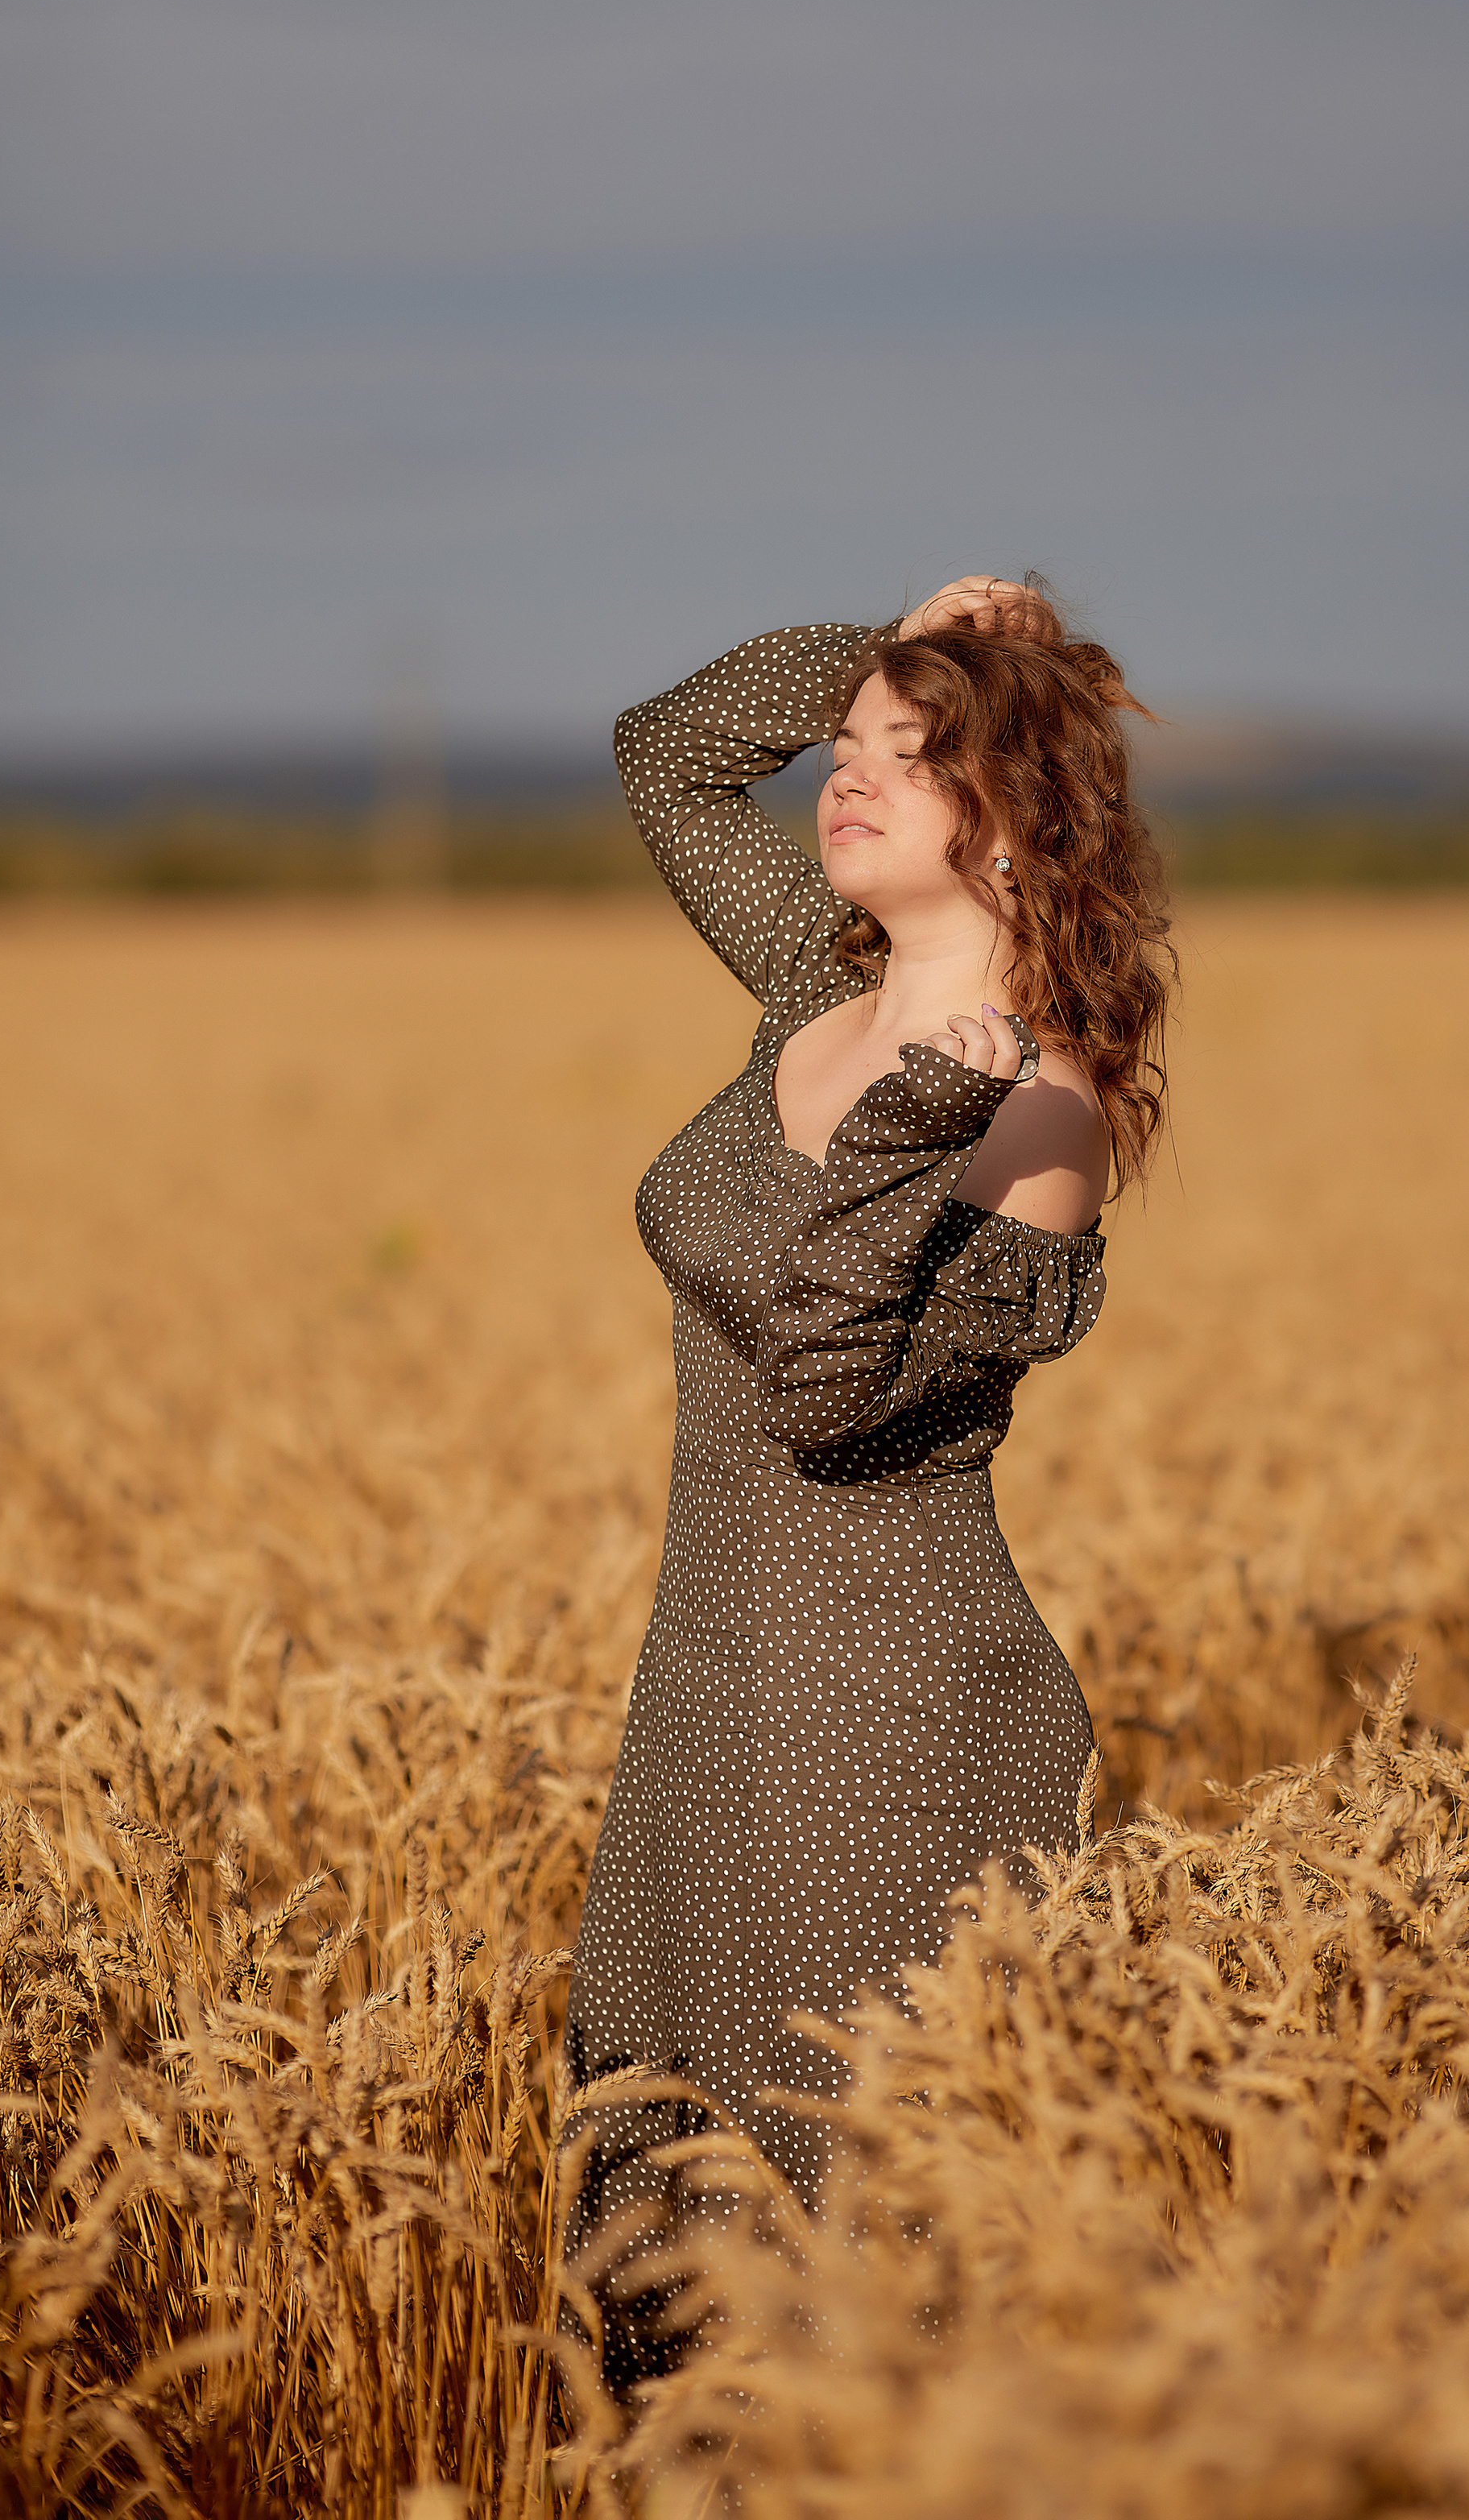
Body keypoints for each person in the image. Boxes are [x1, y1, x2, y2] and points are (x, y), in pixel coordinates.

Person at [561, 573, 1175, 2389]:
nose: (848, 776)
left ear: (1020, 815)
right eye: (845, 749)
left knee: (840, 2259)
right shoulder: (801, 995)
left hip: (887, 1734)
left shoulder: (1037, 1117)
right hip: (710, 1699)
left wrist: (918, 1120)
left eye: (912, 758)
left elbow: (830, 1394)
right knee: (657, 2222)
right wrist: (900, 642)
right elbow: (664, 757)